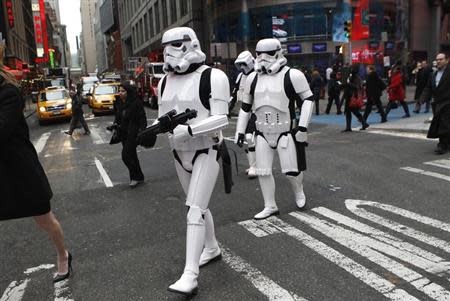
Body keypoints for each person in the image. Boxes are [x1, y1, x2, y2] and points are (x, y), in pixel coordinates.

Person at [156, 27, 230, 296]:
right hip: (179, 153)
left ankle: (190, 275)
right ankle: (211, 248)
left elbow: (222, 118)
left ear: (190, 44)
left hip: (205, 149)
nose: (168, 52)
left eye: (175, 45)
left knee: (194, 210)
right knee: (198, 206)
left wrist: (189, 130)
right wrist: (153, 131)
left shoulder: (213, 76)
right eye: (165, 47)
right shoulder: (164, 81)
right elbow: (162, 116)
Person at [0, 64, 72, 283]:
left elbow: (3, 129)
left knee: (44, 217)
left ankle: (63, 255)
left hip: (19, 169)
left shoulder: (9, 94)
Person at [235, 38, 314, 220]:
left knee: (291, 171)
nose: (263, 58)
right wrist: (240, 130)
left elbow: (308, 99)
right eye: (259, 54)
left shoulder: (292, 75)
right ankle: (270, 205)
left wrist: (302, 127)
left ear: (278, 53)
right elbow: (246, 107)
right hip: (262, 131)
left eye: (268, 53)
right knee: (263, 171)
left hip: (285, 131)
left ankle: (298, 191)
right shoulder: (252, 78)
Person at [230, 50, 257, 179]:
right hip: (245, 110)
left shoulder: (258, 75)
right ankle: (253, 165)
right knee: (246, 138)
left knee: (250, 137)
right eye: (240, 65)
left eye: (244, 64)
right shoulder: (240, 77)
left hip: (257, 110)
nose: (242, 67)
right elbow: (235, 93)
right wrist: (228, 108)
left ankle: (255, 166)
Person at [114, 81, 147, 187]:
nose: (120, 93)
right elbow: (118, 117)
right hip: (123, 133)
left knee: (126, 156)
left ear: (128, 92)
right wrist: (114, 125)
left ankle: (135, 177)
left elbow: (142, 117)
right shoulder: (119, 102)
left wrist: (142, 130)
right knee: (132, 155)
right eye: (119, 91)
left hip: (133, 133)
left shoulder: (135, 102)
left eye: (123, 91)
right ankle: (139, 177)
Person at [421, 52, 450, 154]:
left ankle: (442, 145)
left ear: (447, 60)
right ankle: (446, 142)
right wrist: (422, 99)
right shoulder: (433, 74)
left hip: (447, 102)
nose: (438, 61)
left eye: (441, 59)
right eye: (437, 59)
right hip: (437, 103)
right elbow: (428, 88)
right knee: (440, 123)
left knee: (444, 123)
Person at [342, 67, 369, 132]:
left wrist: (347, 84)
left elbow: (353, 87)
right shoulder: (358, 78)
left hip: (351, 97)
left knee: (350, 111)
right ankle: (363, 123)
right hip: (354, 97)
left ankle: (349, 127)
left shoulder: (352, 78)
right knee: (354, 111)